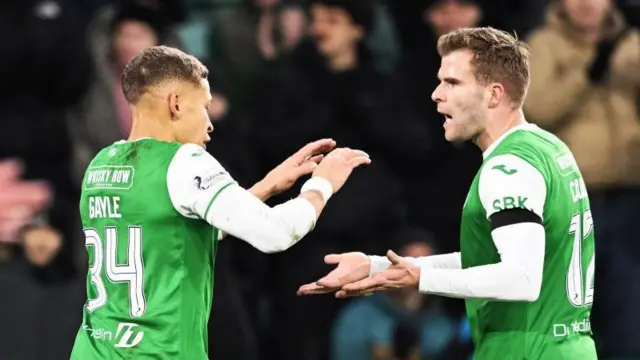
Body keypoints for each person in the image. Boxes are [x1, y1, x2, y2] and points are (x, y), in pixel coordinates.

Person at [298, 27, 597, 359]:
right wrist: (380, 267)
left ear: (494, 95)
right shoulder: (548, 147)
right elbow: (498, 259)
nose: (436, 94)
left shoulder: (507, 168)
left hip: (525, 351)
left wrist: (419, 277)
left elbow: (521, 278)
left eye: (453, 83)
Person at [69, 45, 370, 360]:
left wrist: (267, 186)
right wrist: (322, 184)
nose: (210, 123)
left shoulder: (100, 165)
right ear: (176, 104)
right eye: (205, 107)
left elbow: (181, 234)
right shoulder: (184, 160)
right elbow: (277, 233)